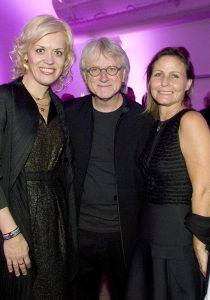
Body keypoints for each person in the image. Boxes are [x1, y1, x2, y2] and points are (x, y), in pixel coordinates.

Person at [0, 14, 76, 300]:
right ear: (25, 54)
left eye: (58, 52)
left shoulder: (59, 107)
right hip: (15, 217)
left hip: (54, 225)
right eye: (40, 49)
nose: (49, 59)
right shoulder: (1, 99)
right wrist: (11, 234)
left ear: (66, 60)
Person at [64, 37, 152, 300]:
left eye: (111, 68)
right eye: (94, 69)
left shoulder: (144, 120)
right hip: (79, 233)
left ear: (123, 73)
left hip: (126, 235)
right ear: (85, 76)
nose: (103, 76)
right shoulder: (68, 115)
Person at [126, 47, 210, 300]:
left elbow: (204, 187)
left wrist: (200, 244)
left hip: (179, 241)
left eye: (175, 76)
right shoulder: (153, 124)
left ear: (188, 83)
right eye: (158, 74)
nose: (165, 82)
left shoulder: (191, 121)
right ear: (149, 80)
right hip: (149, 237)